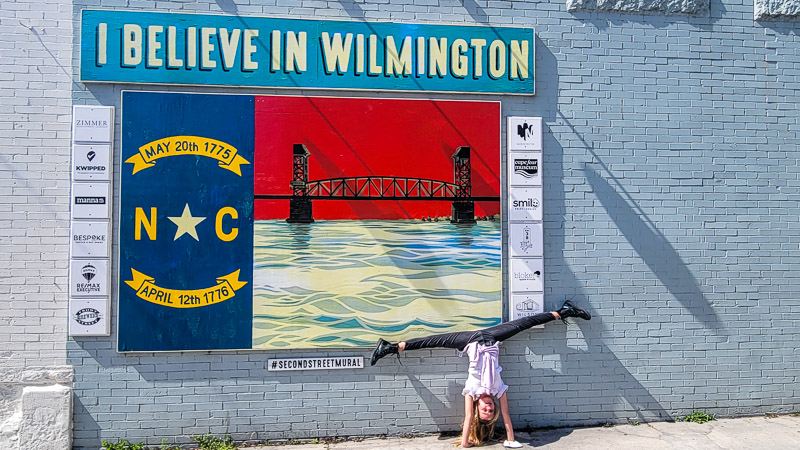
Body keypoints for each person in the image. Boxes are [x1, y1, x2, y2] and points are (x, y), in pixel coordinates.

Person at [370, 300, 591, 448]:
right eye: (490, 409)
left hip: (469, 341)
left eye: (485, 410)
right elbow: (506, 417)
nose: (488, 407)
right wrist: (510, 440)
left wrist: (465, 444)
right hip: (491, 338)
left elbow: (467, 419)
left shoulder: (471, 392)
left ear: (478, 407)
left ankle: (389, 347)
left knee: (432, 341)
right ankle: (565, 311)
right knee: (525, 323)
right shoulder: (499, 390)